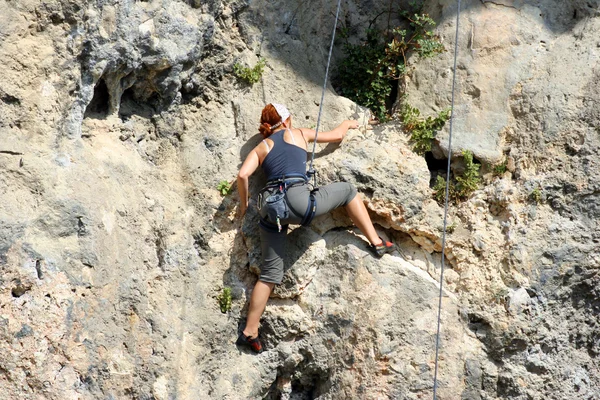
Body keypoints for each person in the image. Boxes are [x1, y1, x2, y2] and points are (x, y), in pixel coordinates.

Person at [235, 103, 394, 353]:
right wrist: (347, 124)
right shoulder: (298, 133)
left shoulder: (262, 146)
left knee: (270, 275)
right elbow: (336, 136)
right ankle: (376, 242)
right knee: (348, 191)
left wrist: (244, 209)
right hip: (298, 202)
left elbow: (243, 175)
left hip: (270, 210)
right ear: (286, 121)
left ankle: (249, 332)